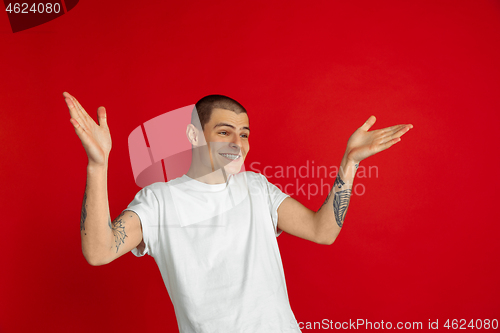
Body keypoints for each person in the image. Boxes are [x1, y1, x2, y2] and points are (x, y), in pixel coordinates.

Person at [64, 91, 412, 332]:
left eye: (244, 133)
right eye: (224, 131)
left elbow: (323, 232)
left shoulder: (257, 189)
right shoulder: (158, 201)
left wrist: (349, 163)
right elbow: (98, 252)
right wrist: (98, 167)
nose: (238, 143)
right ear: (194, 135)